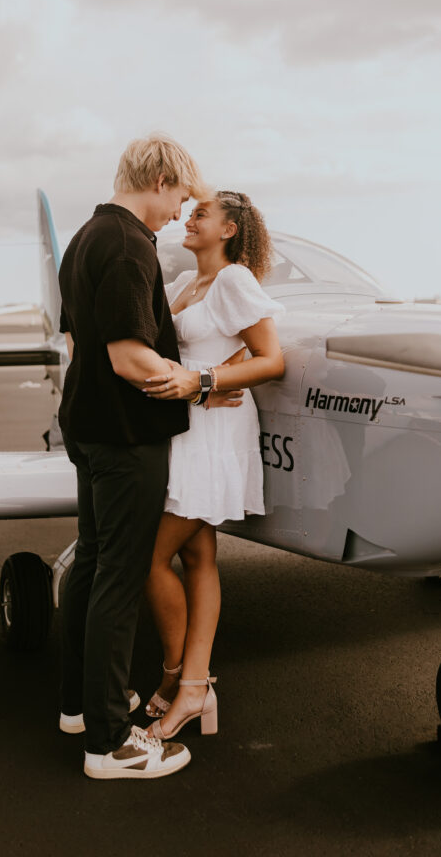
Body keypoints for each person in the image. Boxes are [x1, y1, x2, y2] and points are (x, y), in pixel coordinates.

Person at [57, 134, 235, 781]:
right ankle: (109, 744)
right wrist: (200, 382)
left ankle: (79, 706)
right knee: (117, 580)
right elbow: (126, 356)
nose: (176, 212)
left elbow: (81, 339)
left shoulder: (85, 238)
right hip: (127, 436)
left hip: (87, 426)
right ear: (159, 179)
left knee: (93, 564)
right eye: (179, 197)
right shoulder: (131, 245)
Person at [141, 191, 285, 740]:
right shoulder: (183, 285)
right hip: (187, 424)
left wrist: (206, 382)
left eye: (202, 213)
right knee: (198, 556)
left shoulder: (233, 281)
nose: (190, 217)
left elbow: (271, 360)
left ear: (229, 229)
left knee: (148, 559)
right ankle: (190, 686)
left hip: (216, 428)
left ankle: (186, 683)